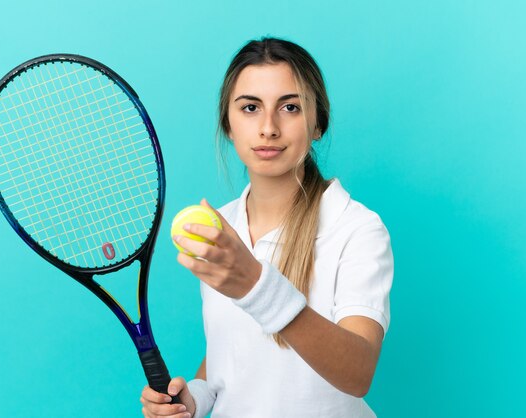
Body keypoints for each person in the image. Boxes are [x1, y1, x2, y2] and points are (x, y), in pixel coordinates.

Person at [140, 37, 394, 418]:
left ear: (318, 124)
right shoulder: (218, 229)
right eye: (250, 108)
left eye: (290, 107)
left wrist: (255, 286)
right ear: (228, 124)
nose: (268, 128)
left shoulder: (356, 228)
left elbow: (357, 373)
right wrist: (195, 397)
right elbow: (233, 354)